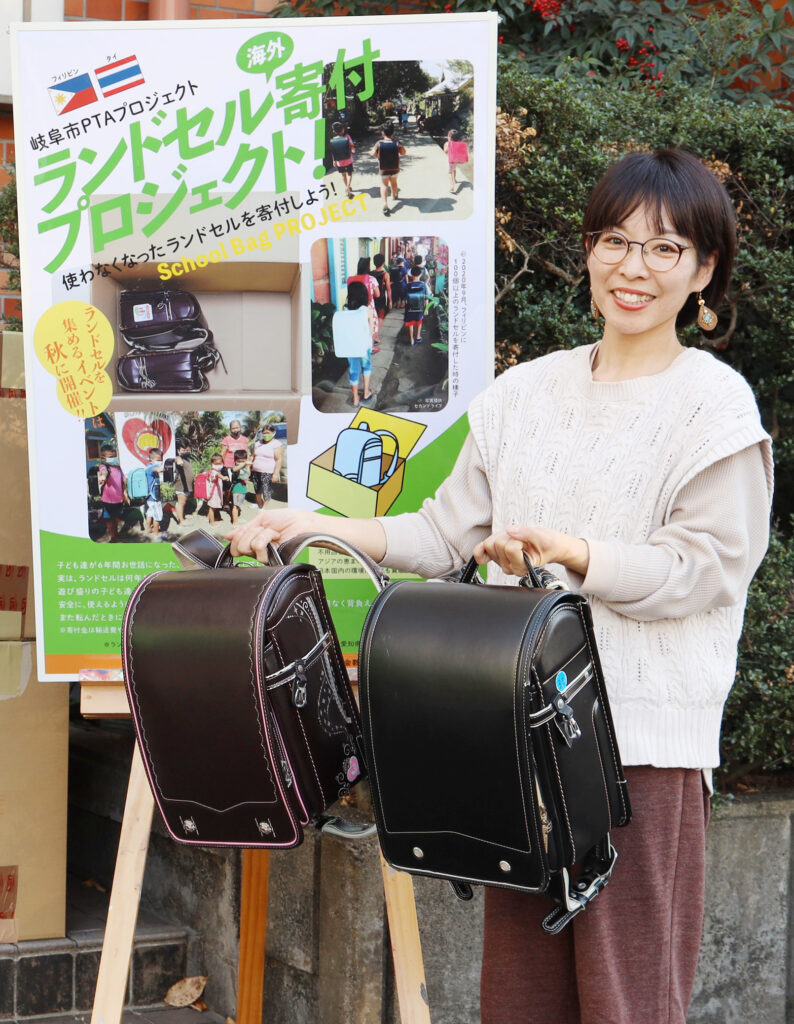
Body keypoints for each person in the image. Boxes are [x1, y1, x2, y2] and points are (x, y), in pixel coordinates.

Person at [228, 147, 774, 1024]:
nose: (634, 268)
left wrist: (577, 555)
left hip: (643, 751)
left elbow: (706, 570)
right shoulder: (523, 392)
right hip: (516, 738)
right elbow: (445, 532)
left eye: (666, 249)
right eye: (615, 240)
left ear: (704, 270)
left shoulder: (714, 407)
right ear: (589, 251)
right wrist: (316, 526)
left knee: (626, 1003)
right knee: (520, 1002)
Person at [334, 279, 376, 407]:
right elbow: (372, 330)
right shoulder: (367, 310)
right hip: (364, 346)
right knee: (366, 366)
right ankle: (366, 393)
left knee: (353, 369)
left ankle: (355, 398)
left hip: (350, 346)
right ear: (364, 295)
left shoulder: (344, 310)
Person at [347, 256, 382, 353]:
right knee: (370, 327)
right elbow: (377, 294)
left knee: (359, 327)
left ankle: (359, 346)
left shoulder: (351, 279)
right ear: (368, 267)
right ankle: (369, 348)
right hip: (368, 307)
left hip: (354, 307)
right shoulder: (371, 279)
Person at [95, 443, 128, 542]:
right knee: (110, 520)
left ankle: (116, 535)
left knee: (115, 518)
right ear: (103, 458)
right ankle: (113, 537)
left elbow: (123, 482)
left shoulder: (118, 468)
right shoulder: (104, 467)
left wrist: (125, 494)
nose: (113, 458)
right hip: (108, 500)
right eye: (110, 457)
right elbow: (103, 472)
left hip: (118, 500)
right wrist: (103, 476)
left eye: (114, 456)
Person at [371, 122, 406, 217]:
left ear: (382, 133)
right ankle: (394, 195)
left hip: (383, 169)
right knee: (394, 183)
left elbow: (373, 154)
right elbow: (403, 152)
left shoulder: (379, 143)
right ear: (393, 133)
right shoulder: (397, 143)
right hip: (395, 168)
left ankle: (384, 204)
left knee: (384, 185)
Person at [250, 426, 284, 510]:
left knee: (266, 490)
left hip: (267, 472)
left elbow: (278, 460)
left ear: (273, 433)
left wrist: (276, 474)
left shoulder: (277, 444)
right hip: (255, 471)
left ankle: (263, 508)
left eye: (268, 433)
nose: (265, 435)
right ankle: (259, 505)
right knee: (257, 490)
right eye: (264, 433)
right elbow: (253, 456)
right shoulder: (258, 443)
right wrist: (248, 466)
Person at [403, 266, 431, 345]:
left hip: (410, 308)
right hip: (420, 308)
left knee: (410, 323)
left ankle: (411, 339)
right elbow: (426, 298)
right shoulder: (423, 285)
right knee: (419, 322)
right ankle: (418, 337)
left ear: (411, 275)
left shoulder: (408, 285)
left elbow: (405, 298)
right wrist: (427, 309)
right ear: (421, 274)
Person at [329, 120, 356, 199]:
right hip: (348, 159)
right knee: (350, 174)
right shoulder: (347, 137)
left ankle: (346, 187)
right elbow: (352, 147)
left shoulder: (333, 140)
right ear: (343, 129)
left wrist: (334, 161)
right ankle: (348, 187)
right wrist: (353, 150)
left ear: (334, 131)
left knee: (343, 175)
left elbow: (333, 152)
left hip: (339, 162)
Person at [172, 437, 195, 525]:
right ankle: (181, 521)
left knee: (183, 502)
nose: (185, 451)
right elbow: (177, 459)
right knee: (181, 503)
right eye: (183, 450)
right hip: (181, 485)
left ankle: (182, 516)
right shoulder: (179, 457)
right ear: (178, 450)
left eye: (186, 449)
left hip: (186, 485)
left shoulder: (186, 458)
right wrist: (179, 461)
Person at [144, 447, 165, 537]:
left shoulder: (147, 466)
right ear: (151, 459)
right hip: (154, 497)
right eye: (158, 460)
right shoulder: (151, 467)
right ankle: (157, 533)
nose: (160, 462)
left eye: (161, 460)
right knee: (158, 515)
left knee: (150, 513)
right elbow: (155, 468)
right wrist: (161, 469)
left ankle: (148, 528)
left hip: (149, 497)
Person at [206, 453, 230, 526]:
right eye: (216, 464)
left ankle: (210, 518)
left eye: (220, 463)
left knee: (214, 506)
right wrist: (223, 477)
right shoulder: (213, 471)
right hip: (214, 493)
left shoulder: (218, 471)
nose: (219, 465)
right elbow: (217, 475)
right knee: (212, 507)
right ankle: (212, 523)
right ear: (212, 463)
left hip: (217, 492)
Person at [443, 128, 469, 193]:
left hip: (450, 160)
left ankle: (452, 187)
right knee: (454, 169)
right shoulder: (458, 143)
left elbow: (445, 151)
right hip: (456, 160)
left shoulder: (447, 143)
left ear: (449, 137)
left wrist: (446, 148)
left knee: (449, 172)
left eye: (448, 136)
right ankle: (454, 179)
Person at [371, 252, 392, 329]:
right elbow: (388, 289)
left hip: (371, 298)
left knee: (372, 316)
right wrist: (390, 301)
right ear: (383, 263)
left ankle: (373, 333)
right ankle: (376, 335)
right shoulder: (385, 274)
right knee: (380, 316)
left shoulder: (370, 273)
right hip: (381, 298)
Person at [230, 449, 251, 525]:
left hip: (243, 489)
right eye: (239, 461)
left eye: (243, 461)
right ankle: (235, 522)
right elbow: (235, 469)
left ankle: (237, 518)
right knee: (235, 506)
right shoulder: (235, 467)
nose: (241, 463)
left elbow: (248, 474)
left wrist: (248, 466)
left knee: (239, 505)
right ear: (235, 460)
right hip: (237, 490)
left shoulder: (244, 467)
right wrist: (244, 463)